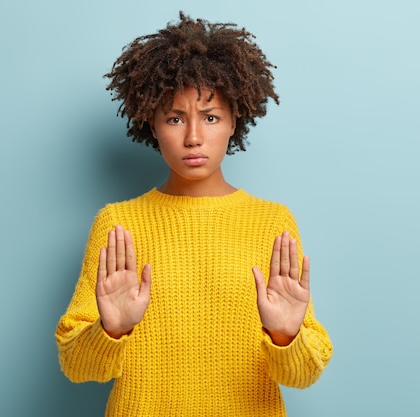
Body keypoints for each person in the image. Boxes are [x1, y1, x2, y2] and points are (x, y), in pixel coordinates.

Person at [55, 12, 332, 416]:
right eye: (174, 118)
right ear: (151, 124)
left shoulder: (273, 222)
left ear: (235, 120)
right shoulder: (118, 224)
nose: (194, 137)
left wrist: (286, 334)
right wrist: (112, 328)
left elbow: (303, 375)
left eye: (211, 117)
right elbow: (77, 368)